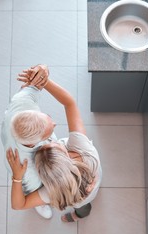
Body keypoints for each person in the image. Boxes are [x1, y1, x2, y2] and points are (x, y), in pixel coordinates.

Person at [6, 69, 102, 222]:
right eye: (54, 144)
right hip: (93, 187)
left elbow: (18, 205)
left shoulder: (51, 192)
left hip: (80, 197)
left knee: (82, 205)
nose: (51, 140)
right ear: (67, 155)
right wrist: (46, 81)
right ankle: (78, 215)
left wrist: (17, 178)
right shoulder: (83, 150)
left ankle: (75, 216)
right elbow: (70, 103)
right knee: (86, 203)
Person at [0, 64, 55, 219]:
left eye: (48, 118)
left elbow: (37, 79)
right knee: (36, 192)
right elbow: (20, 202)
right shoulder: (26, 170)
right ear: (34, 143)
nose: (55, 124)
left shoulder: (22, 101)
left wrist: (42, 70)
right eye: (49, 132)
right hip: (27, 179)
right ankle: (40, 205)